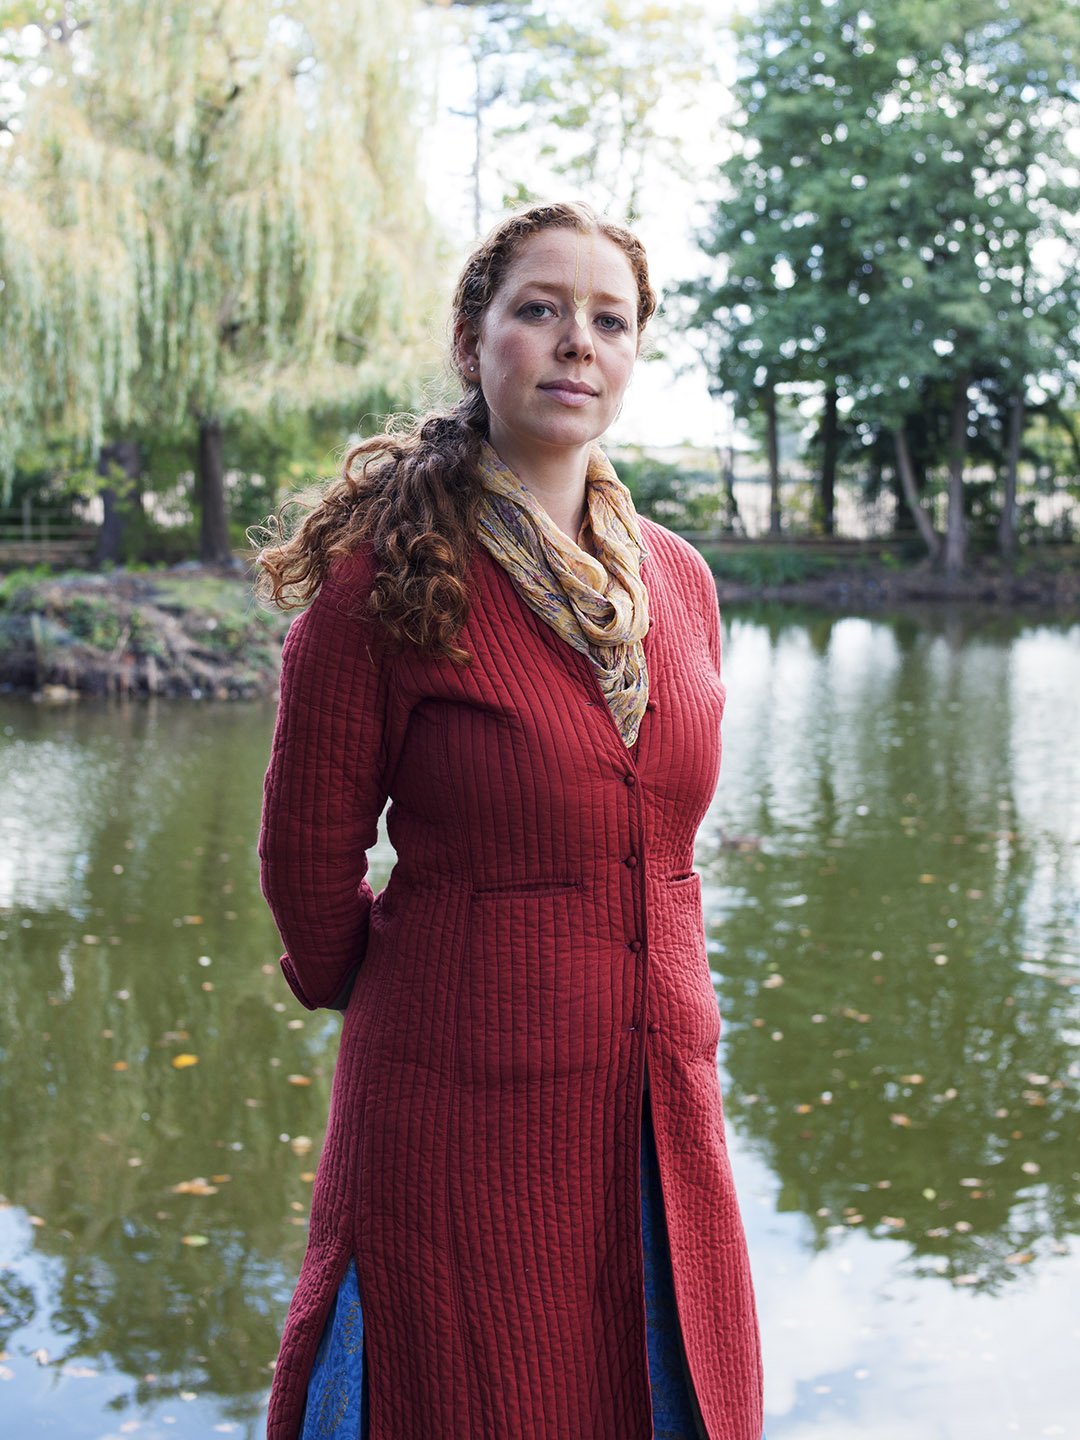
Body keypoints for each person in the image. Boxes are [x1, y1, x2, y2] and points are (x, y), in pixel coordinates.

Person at [256, 200, 764, 1440]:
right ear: (476, 340)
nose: (575, 343)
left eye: (610, 319)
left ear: (636, 353)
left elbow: (661, 844)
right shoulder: (387, 574)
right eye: (539, 310)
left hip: (658, 1104)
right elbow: (307, 853)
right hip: (455, 1103)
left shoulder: (680, 581)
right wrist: (390, 983)